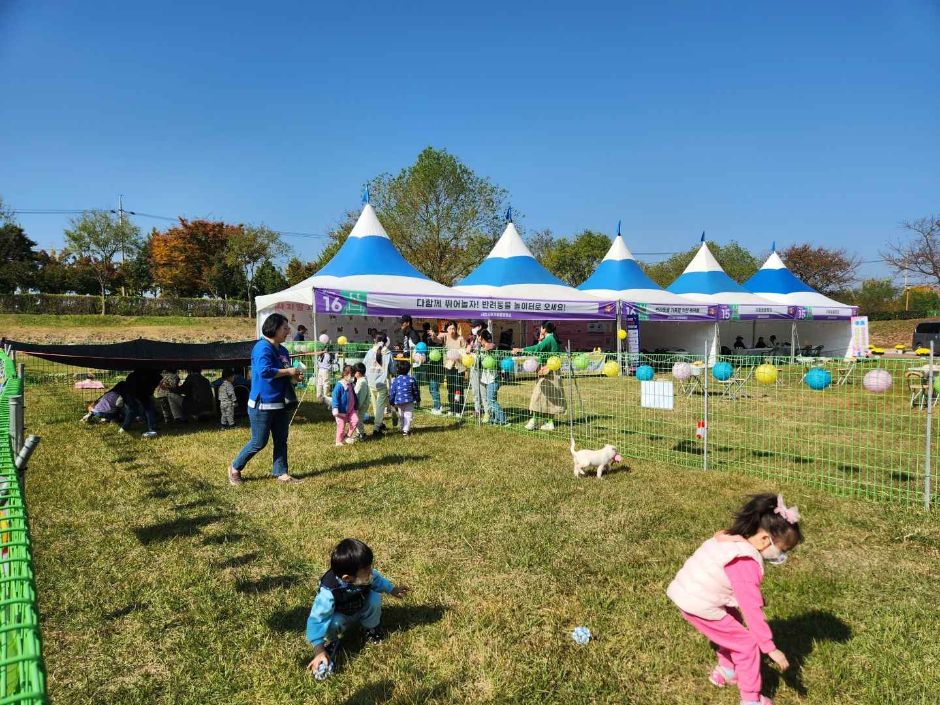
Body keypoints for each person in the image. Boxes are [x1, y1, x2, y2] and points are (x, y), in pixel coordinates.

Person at [666, 494, 803, 705]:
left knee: (732, 624)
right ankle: (751, 699)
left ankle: (728, 670)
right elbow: (752, 610)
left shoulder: (731, 538)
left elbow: (735, 585)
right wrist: (769, 647)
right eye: (782, 551)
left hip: (691, 592)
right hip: (699, 603)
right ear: (765, 539)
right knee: (747, 645)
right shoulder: (745, 561)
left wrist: (754, 596)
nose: (781, 556)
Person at [306, 538, 410, 675]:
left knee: (374, 598)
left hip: (360, 607)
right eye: (367, 569)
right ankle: (331, 643)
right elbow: (317, 618)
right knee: (333, 623)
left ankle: (372, 629)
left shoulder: (365, 576)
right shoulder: (329, 591)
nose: (371, 571)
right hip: (340, 616)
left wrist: (392, 589)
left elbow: (378, 580)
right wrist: (318, 649)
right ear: (347, 578)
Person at [228, 312, 305, 485]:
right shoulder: (262, 348)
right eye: (285, 328)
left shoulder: (283, 350)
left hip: (280, 403)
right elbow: (264, 371)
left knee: (281, 440)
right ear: (275, 328)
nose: (287, 332)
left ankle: (281, 473)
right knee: (258, 442)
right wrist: (288, 372)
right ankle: (235, 468)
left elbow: (285, 371)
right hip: (262, 404)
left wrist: (294, 376)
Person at [513, 321, 564, 431]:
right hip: (551, 371)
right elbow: (540, 347)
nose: (540, 330)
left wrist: (521, 350)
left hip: (549, 371)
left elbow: (537, 349)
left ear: (544, 329)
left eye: (541, 328)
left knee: (538, 395)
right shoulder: (550, 339)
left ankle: (534, 421)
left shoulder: (549, 339)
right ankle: (549, 423)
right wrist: (541, 339)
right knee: (550, 397)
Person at [363, 334, 394, 434]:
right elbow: (393, 369)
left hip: (370, 382)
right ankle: (377, 427)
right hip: (382, 383)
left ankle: (379, 424)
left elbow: (364, 364)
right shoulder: (388, 353)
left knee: (376, 405)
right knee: (380, 406)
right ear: (386, 341)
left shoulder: (369, 352)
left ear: (375, 340)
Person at [435, 320, 466, 416]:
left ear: (456, 329)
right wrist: (433, 335)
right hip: (448, 366)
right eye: (450, 328)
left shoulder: (460, 338)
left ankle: (458, 409)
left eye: (454, 328)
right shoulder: (444, 336)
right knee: (450, 387)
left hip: (459, 367)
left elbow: (464, 351)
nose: (452, 330)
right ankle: (451, 408)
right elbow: (437, 340)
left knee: (458, 388)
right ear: (446, 329)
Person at [120, 369, 162, 438]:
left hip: (141, 391)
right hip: (133, 391)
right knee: (133, 410)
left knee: (146, 408)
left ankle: (152, 428)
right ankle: (124, 427)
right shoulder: (155, 376)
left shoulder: (155, 376)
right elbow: (150, 389)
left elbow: (150, 389)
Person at [478, 328, 506, 425]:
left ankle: (503, 420)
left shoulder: (492, 347)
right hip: (486, 379)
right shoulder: (481, 349)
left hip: (494, 379)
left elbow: (492, 345)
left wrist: (484, 348)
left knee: (491, 400)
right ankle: (495, 419)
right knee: (491, 400)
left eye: (479, 339)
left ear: (482, 338)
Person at [465, 320, 490, 420]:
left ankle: (487, 411)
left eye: (474, 327)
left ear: (479, 326)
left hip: (483, 367)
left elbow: (489, 346)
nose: (472, 329)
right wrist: (469, 349)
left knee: (483, 390)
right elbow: (468, 348)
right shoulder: (472, 337)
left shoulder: (486, 334)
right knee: (475, 389)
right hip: (473, 366)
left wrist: (479, 348)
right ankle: (477, 410)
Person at [389, 359, 420, 436]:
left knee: (401, 415)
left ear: (397, 370)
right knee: (408, 415)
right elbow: (415, 390)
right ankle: (405, 430)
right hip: (409, 400)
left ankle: (402, 427)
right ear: (408, 369)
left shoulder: (396, 380)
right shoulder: (412, 379)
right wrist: (418, 399)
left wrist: (391, 401)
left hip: (399, 401)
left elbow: (393, 392)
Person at [330, 364, 359, 447]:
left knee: (355, 421)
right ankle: (338, 441)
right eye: (351, 375)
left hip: (351, 409)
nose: (353, 377)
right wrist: (335, 408)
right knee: (341, 427)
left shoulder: (350, 384)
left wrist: (356, 406)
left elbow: (353, 395)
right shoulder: (339, 385)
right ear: (345, 374)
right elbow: (335, 396)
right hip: (341, 411)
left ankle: (348, 436)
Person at [353, 362, 371, 439]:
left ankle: (361, 434)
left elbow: (362, 396)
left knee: (358, 420)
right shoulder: (360, 380)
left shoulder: (362, 382)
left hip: (361, 405)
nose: (353, 373)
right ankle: (359, 433)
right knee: (357, 419)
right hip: (359, 404)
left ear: (358, 373)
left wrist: (357, 406)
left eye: (354, 372)